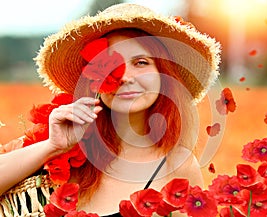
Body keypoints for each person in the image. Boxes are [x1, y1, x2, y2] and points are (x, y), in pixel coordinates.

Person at [0, 3, 221, 216]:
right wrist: (51, 146)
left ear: (164, 75)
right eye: (111, 64)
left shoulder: (178, 165)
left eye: (141, 62)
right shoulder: (62, 147)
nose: (124, 76)